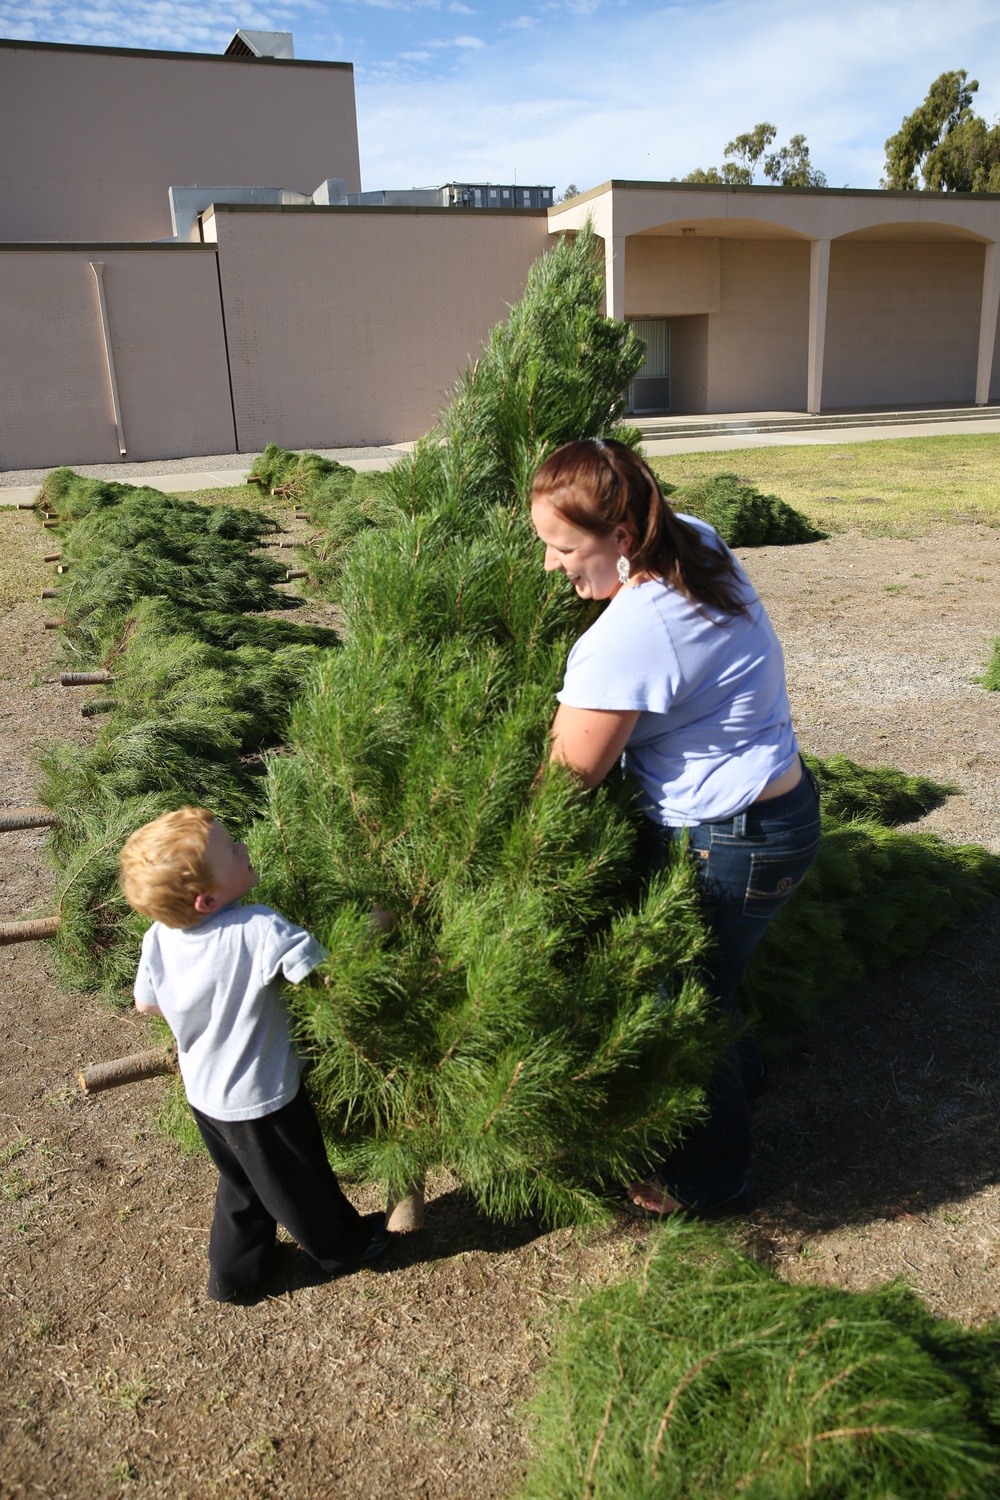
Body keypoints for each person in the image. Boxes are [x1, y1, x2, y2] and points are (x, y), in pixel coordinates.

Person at [529, 438, 821, 1217]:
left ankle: (707, 1181)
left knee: (676, 1006)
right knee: (711, 980)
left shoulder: (626, 637)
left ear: (622, 539)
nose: (552, 567)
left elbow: (566, 779)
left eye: (563, 548)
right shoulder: (693, 538)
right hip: (782, 812)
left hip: (729, 839)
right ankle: (748, 1073)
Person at [119, 805, 389, 1303]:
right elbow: (328, 980)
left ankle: (235, 1273)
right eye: (232, 850)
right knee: (301, 1183)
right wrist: (371, 929)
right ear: (207, 898)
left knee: (242, 1184)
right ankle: (344, 1248)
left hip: (205, 1095)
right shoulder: (260, 929)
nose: (244, 848)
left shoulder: (159, 935)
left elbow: (145, 1004)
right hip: (263, 1099)